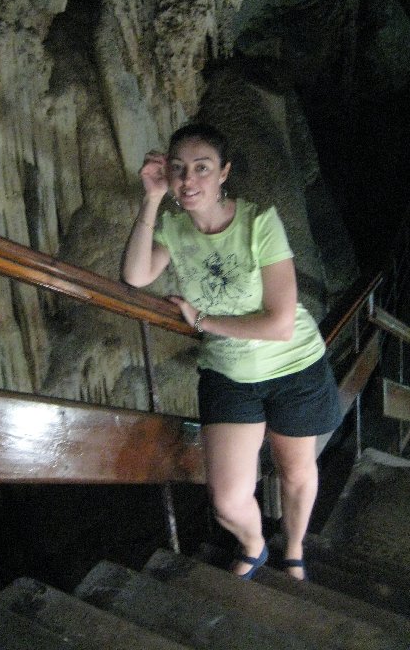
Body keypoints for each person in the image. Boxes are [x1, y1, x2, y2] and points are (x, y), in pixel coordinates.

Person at [122, 121, 342, 581]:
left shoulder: (260, 223)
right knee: (226, 500)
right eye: (179, 169)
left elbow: (280, 324)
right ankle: (255, 542)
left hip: (294, 366)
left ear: (224, 173)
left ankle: (296, 549)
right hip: (229, 372)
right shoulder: (174, 228)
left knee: (295, 472)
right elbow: (137, 276)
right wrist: (151, 198)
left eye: (202, 168)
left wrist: (202, 321)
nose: (188, 180)